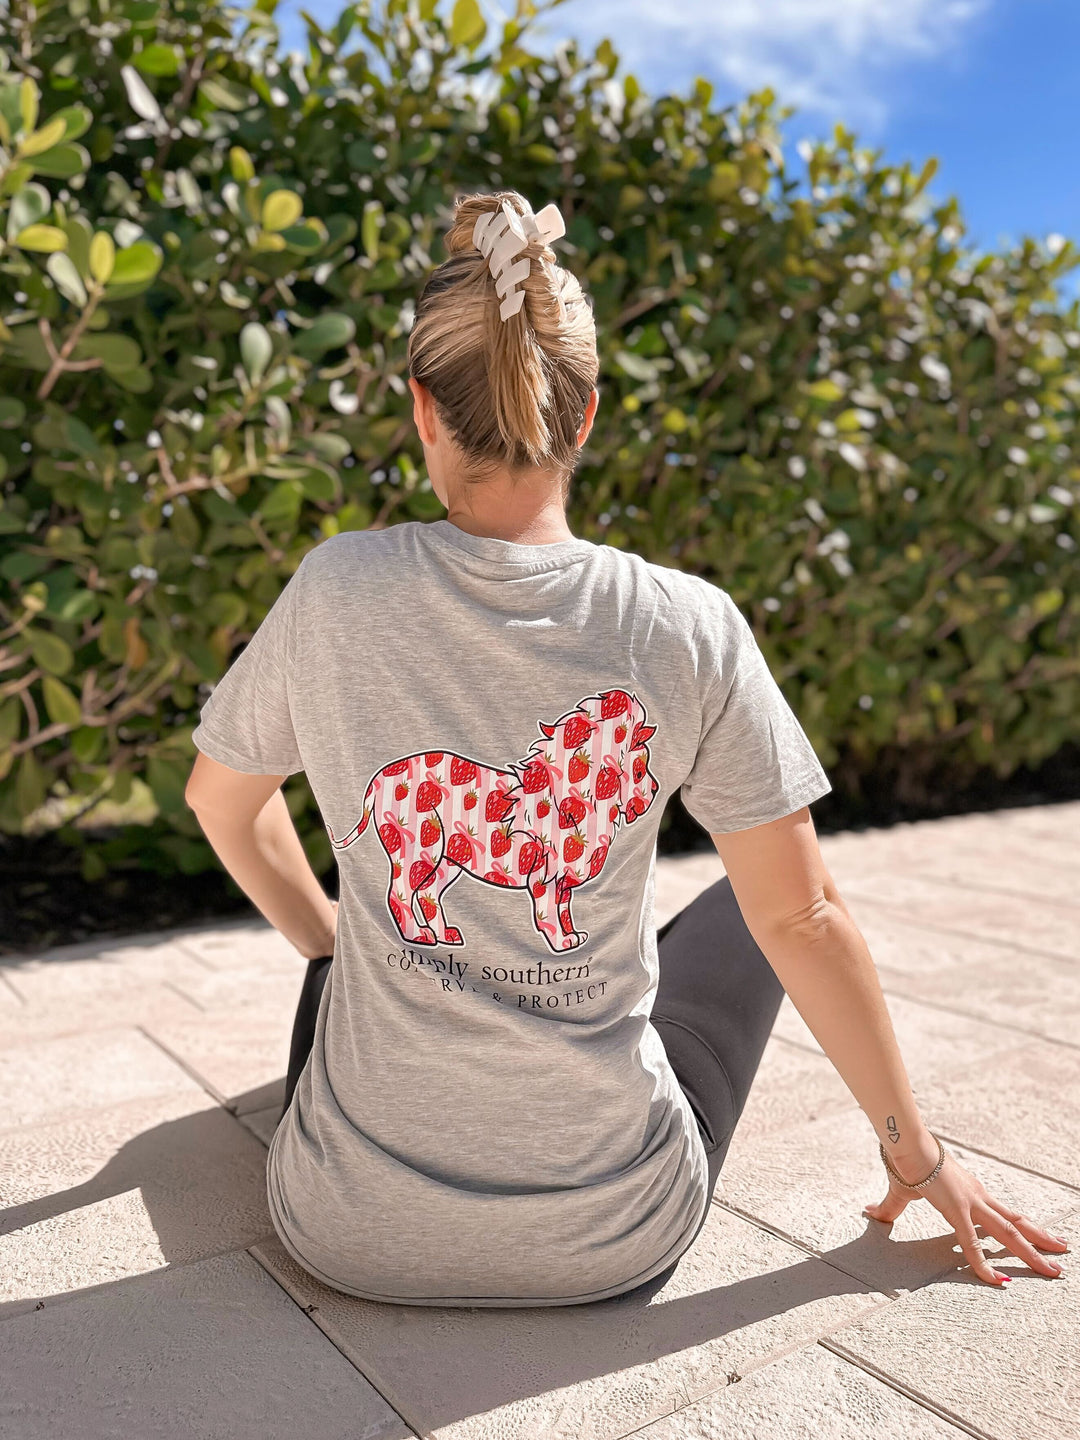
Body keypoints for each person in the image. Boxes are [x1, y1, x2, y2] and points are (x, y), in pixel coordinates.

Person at [185, 188, 1068, 1306]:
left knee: (359, 951)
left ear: (423, 410)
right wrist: (918, 1154)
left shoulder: (336, 590)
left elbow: (220, 802)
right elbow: (804, 920)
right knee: (759, 905)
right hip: (616, 1235)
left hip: (343, 1227)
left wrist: (333, 946)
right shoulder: (685, 624)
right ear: (587, 415)